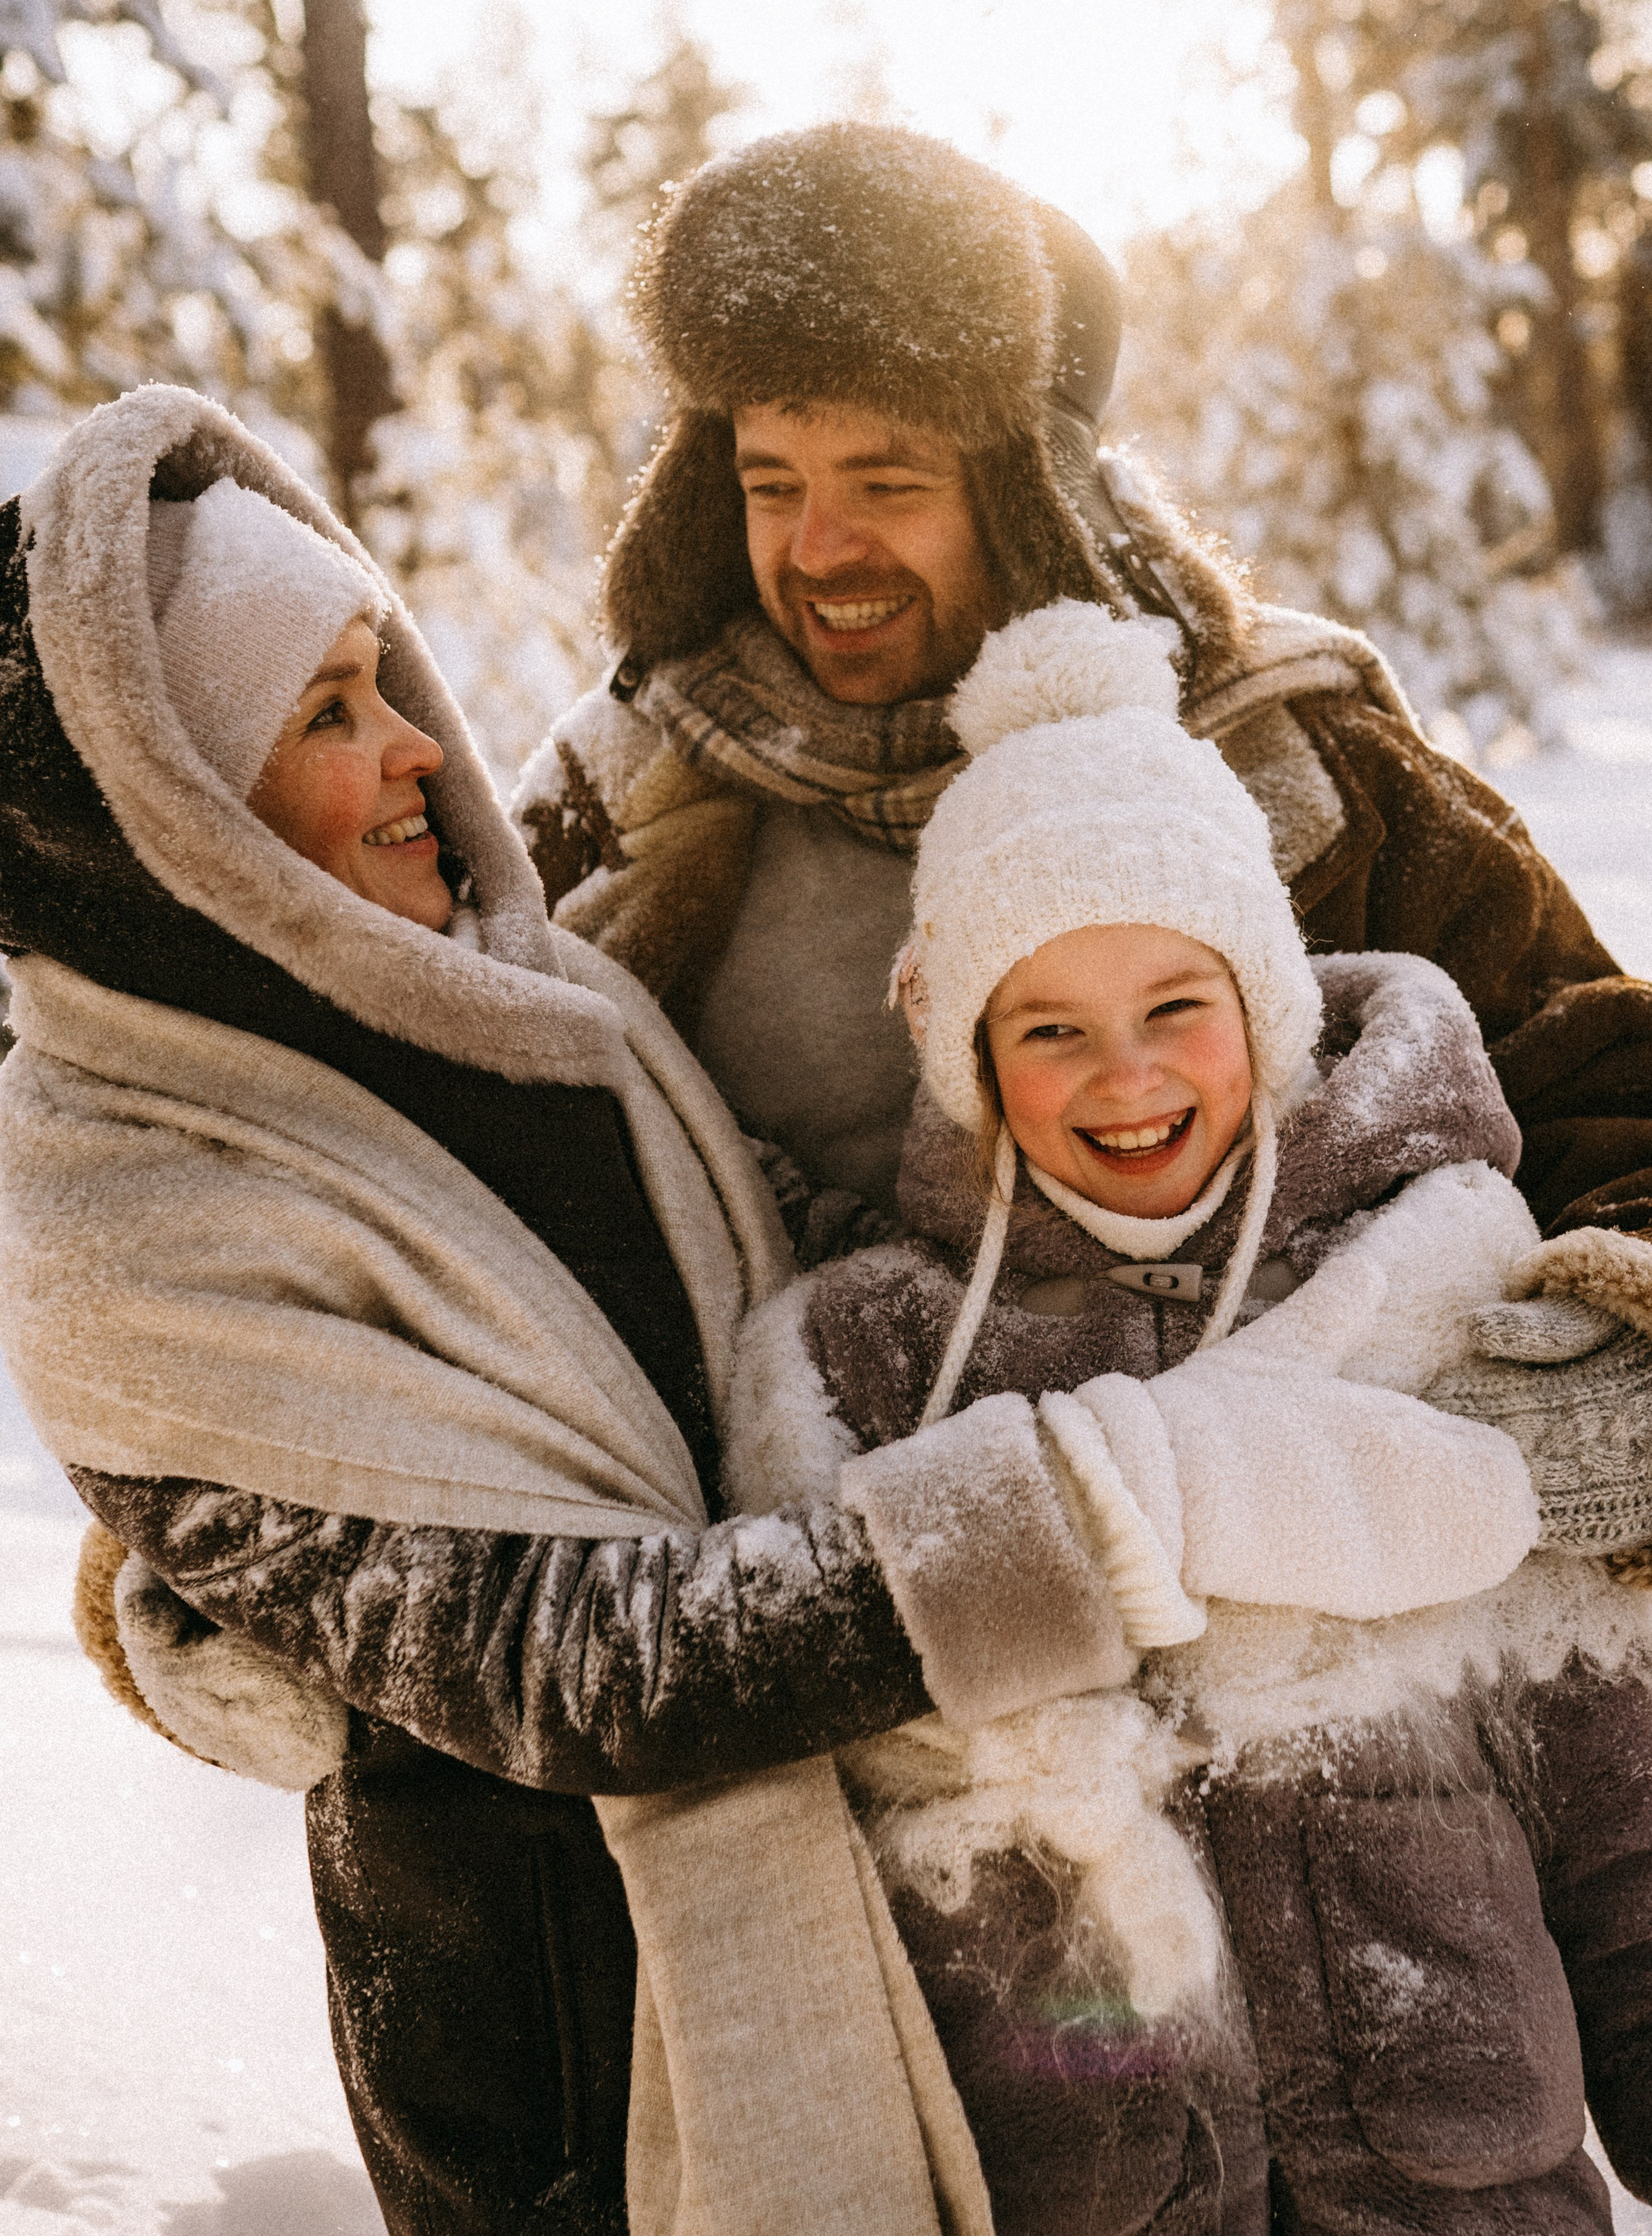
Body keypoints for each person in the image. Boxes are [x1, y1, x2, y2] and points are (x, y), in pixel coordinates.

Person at [0, 384, 1149, 2236]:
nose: (416, 756)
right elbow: (582, 1665)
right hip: (554, 2077)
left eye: (385, 678)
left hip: (871, 1919)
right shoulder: (129, 1225)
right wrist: (1101, 1509)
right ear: (179, 816)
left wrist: (1157, 1303)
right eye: (325, 717)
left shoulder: (534, 1009)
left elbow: (789, 1268)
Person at [731, 599, 1652, 2233]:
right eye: (1048, 1029)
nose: (1125, 1077)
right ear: (963, 1053)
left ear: (1267, 1005)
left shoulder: (1439, 1291)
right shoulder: (861, 1370)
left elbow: (1621, 1834)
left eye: (1175, 1005)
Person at [514, 119, 1652, 1283]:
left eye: (887, 482)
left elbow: (1607, 1096)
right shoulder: (620, 797)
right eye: (772, 484)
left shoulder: (1297, 760)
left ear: (1027, 500)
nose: (817, 549)